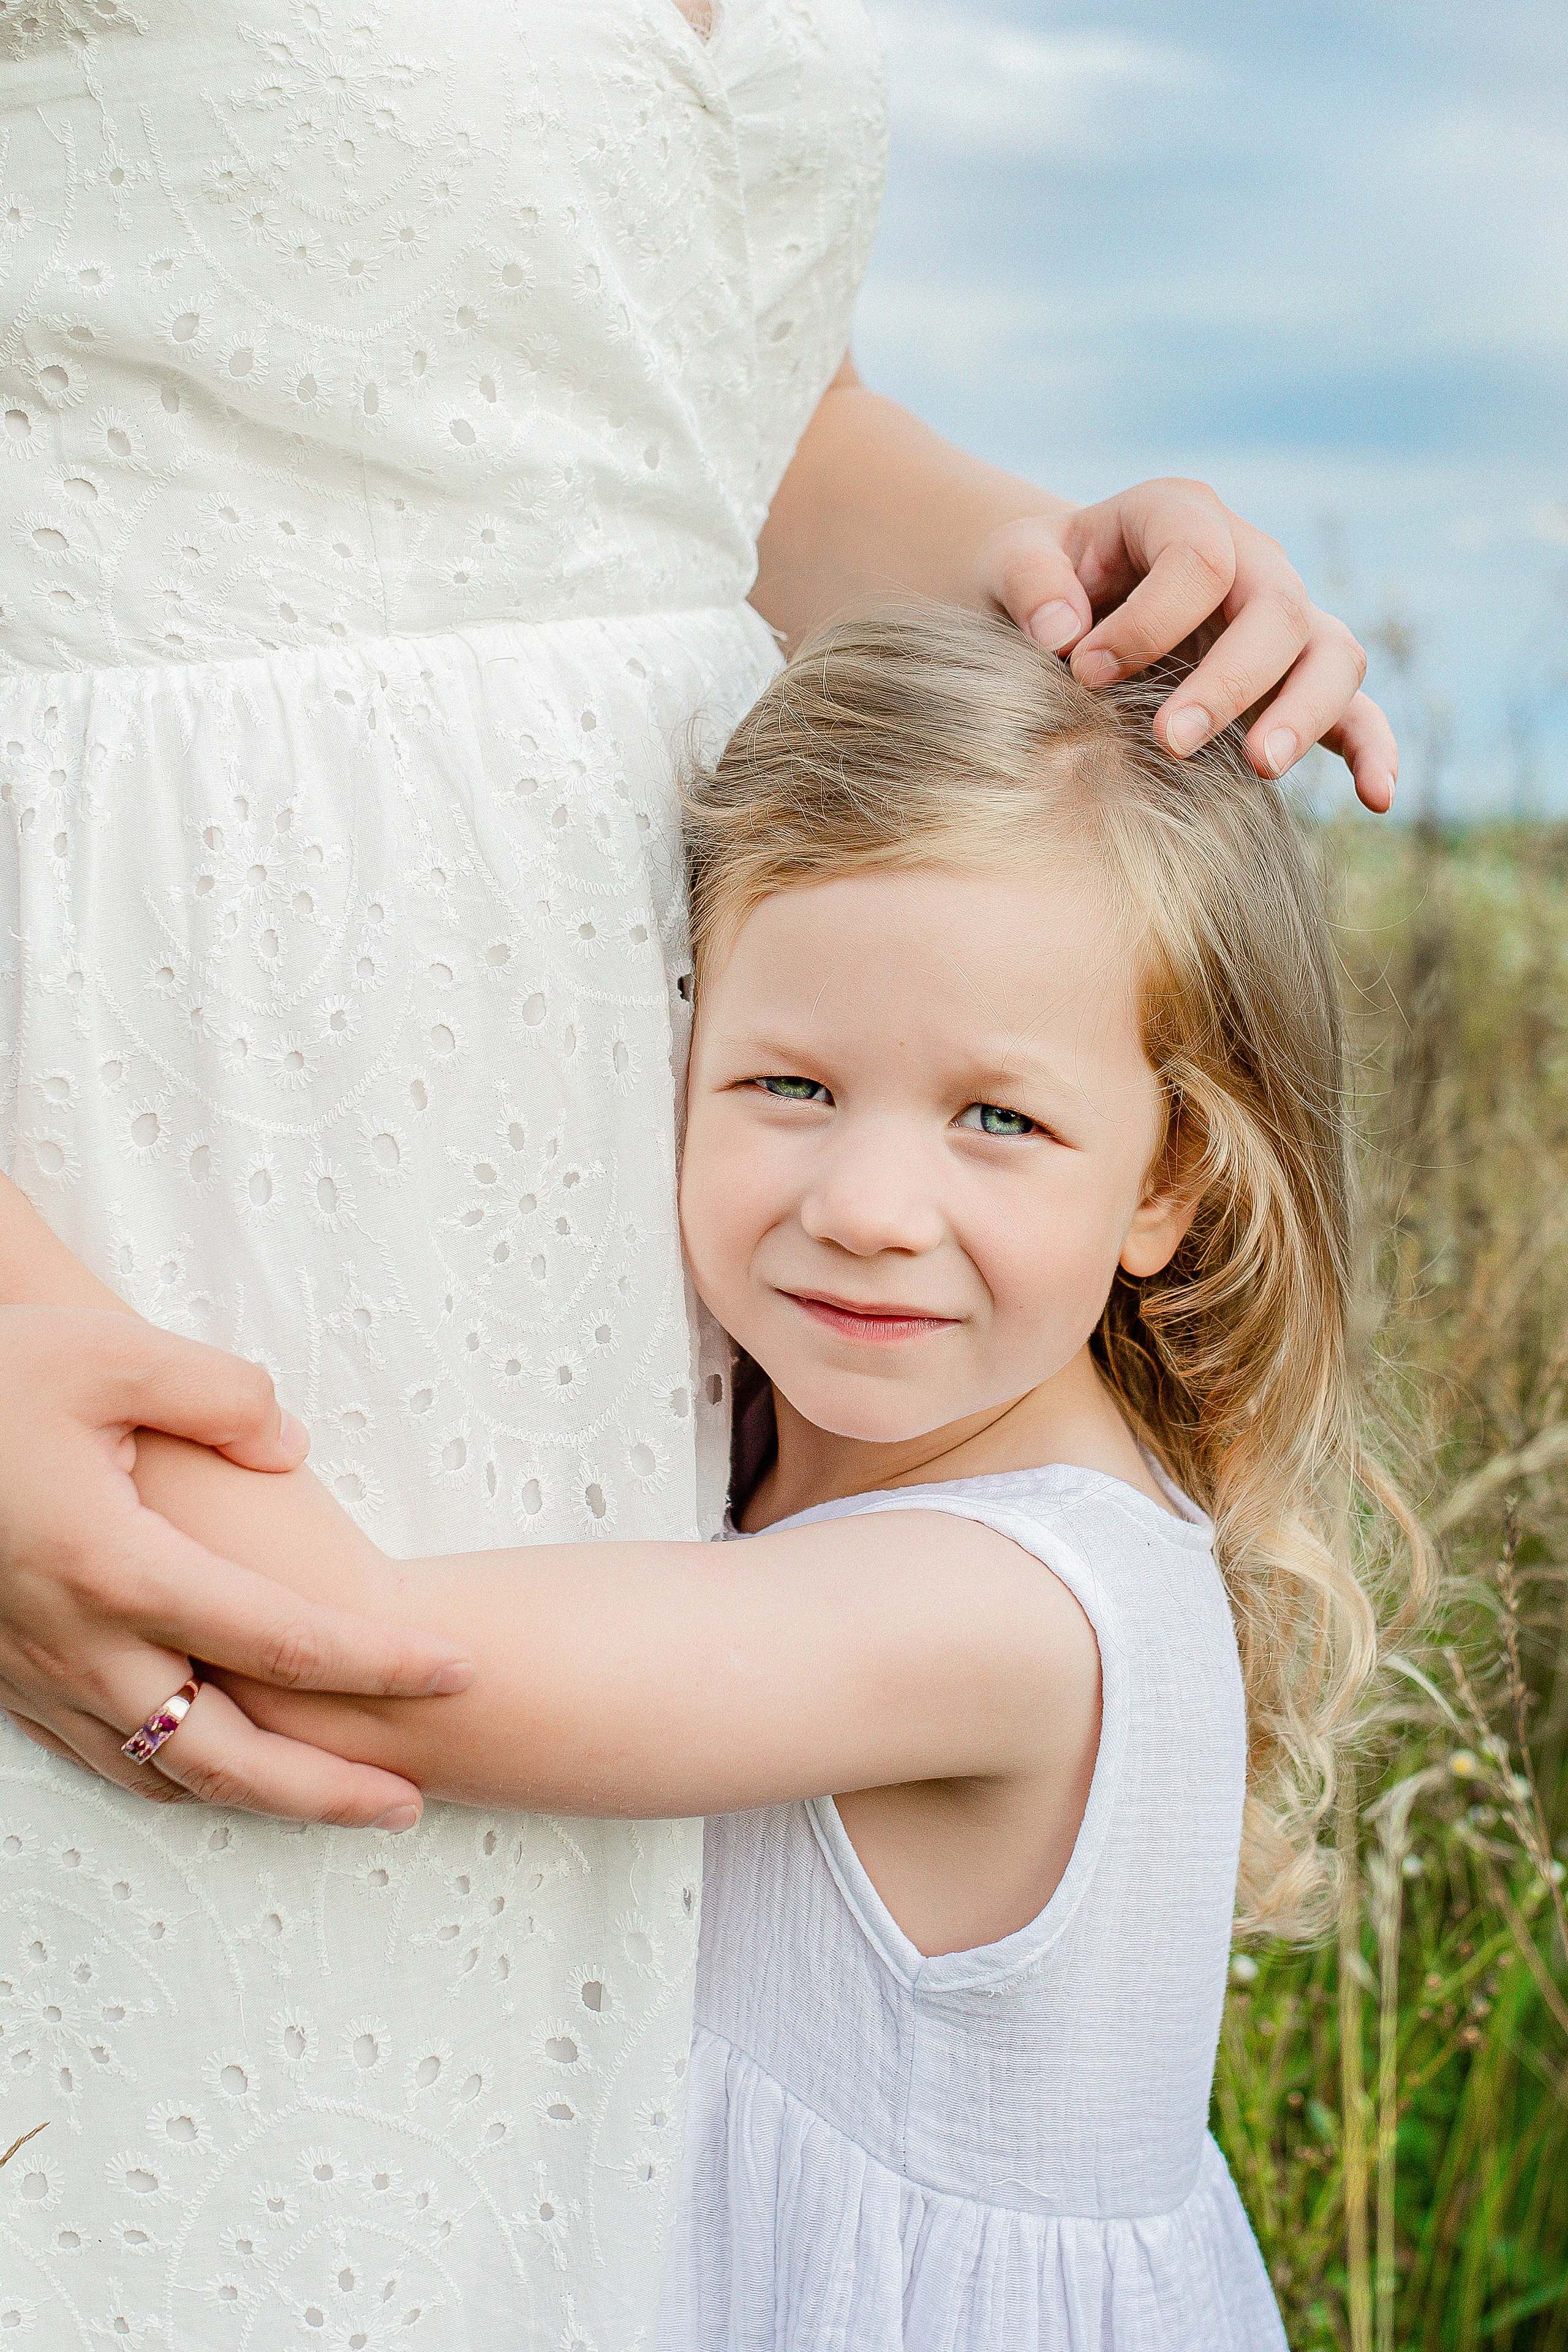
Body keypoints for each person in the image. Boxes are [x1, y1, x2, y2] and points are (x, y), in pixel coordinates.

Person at [0, 4, 1398, 2343]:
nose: (867, 1202)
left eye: (1000, 1118)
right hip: (155, 1066)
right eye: (797, 1099)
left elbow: (388, 1676)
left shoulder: (991, 1605)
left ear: (1177, 1183)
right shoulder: (934, 1506)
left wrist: (1020, 567)